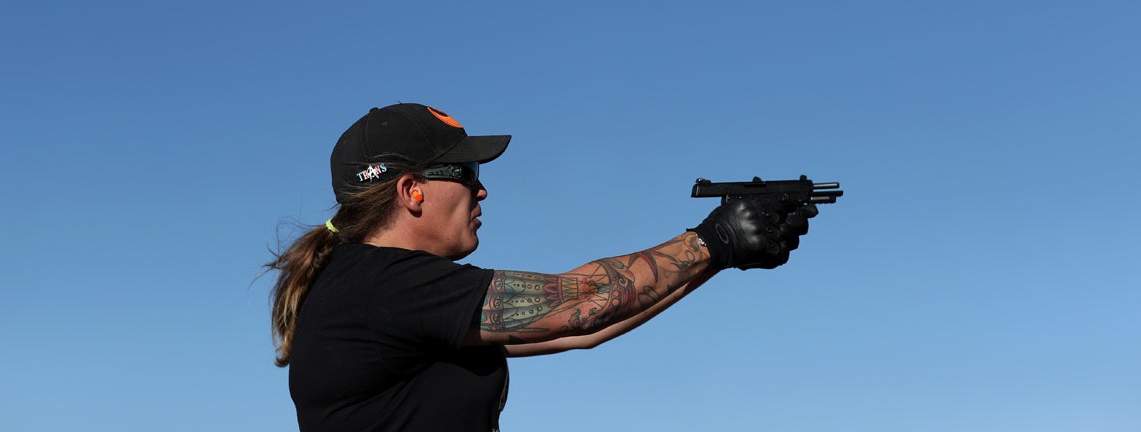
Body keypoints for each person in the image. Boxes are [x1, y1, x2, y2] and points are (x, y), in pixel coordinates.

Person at [267, 102, 817, 432]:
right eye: (464, 171)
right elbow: (575, 304)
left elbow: (583, 330)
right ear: (412, 190)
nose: (481, 188)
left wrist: (720, 257)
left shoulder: (384, 292)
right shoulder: (378, 285)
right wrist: (711, 239)